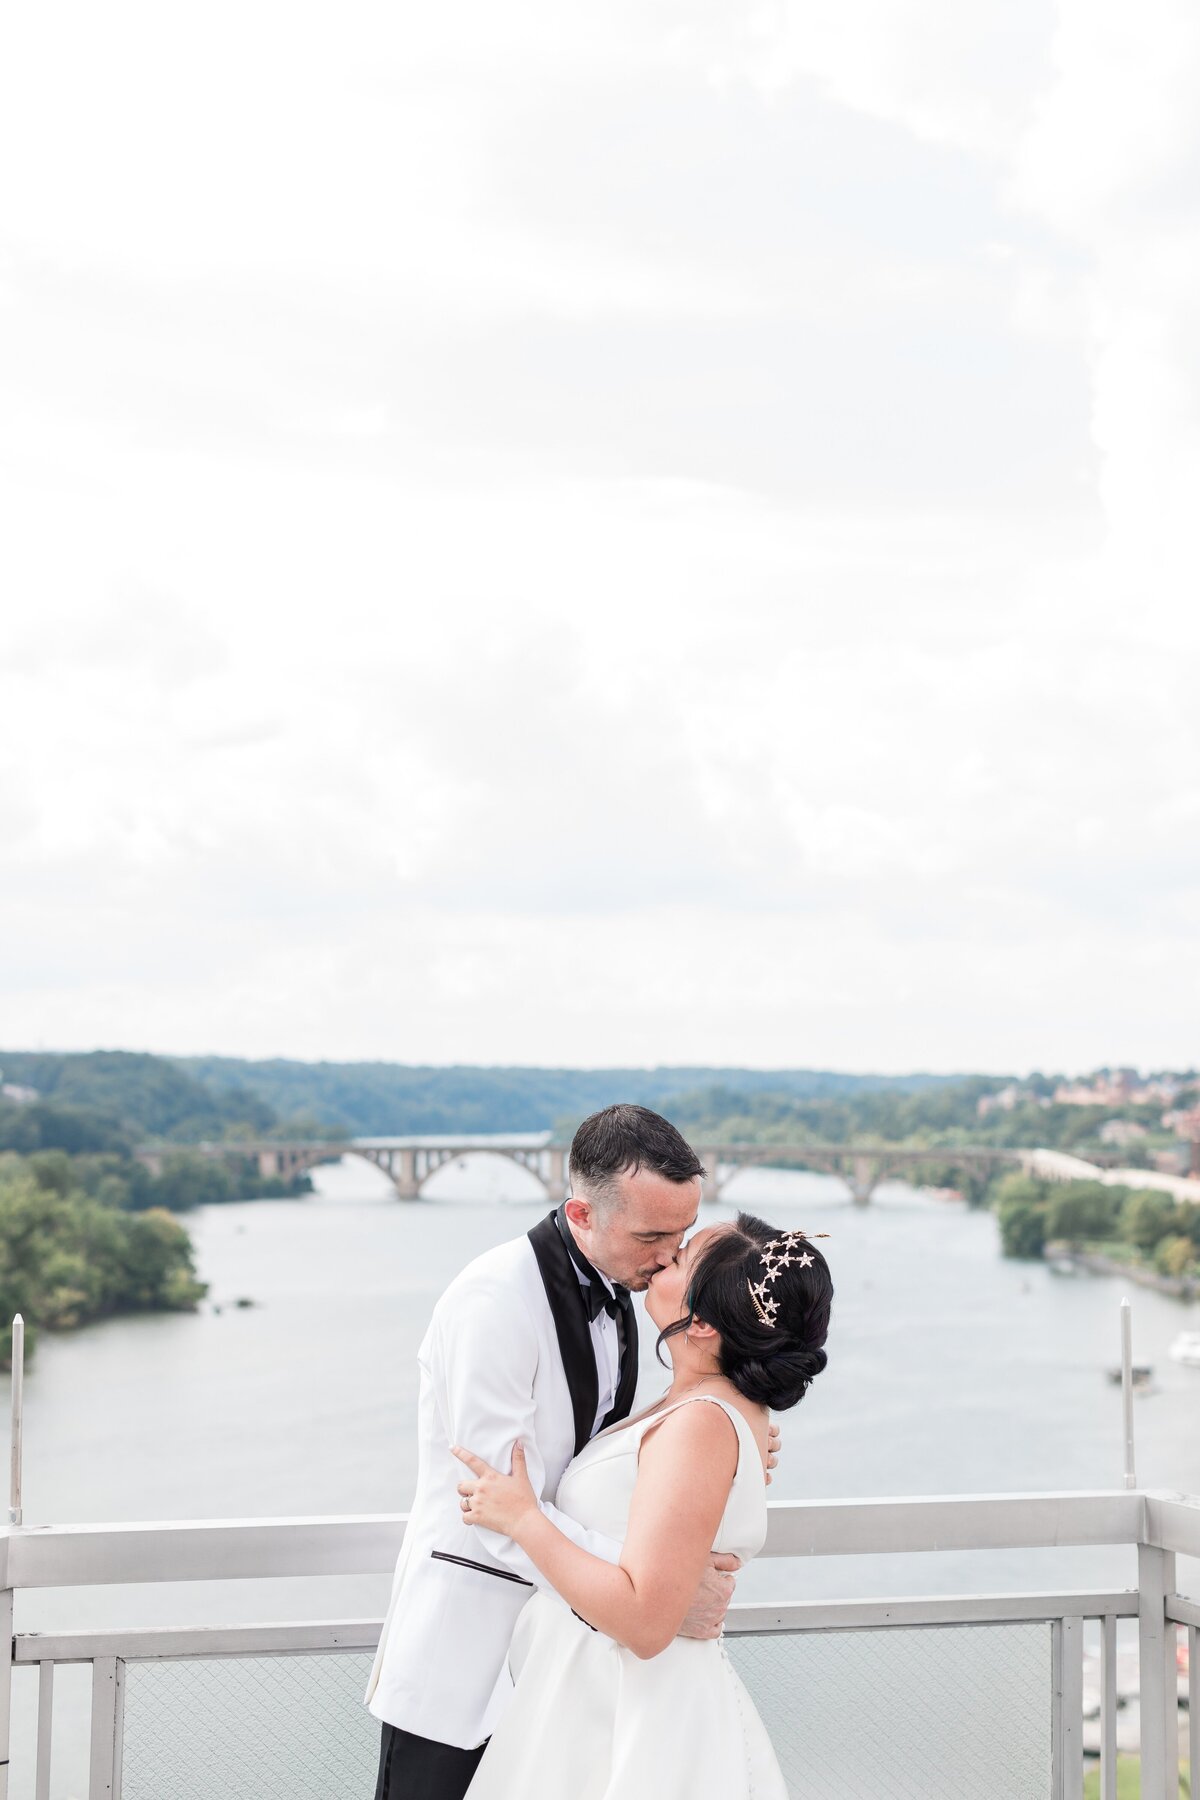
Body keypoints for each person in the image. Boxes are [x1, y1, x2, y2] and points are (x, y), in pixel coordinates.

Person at [364, 1104, 782, 1800]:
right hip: (469, 1662)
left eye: (682, 1234)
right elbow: (494, 1506)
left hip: (568, 1672)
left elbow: (606, 1466)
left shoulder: (625, 1289)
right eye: (653, 1235)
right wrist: (653, 1593)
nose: (670, 1257)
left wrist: (735, 1437)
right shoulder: (493, 1302)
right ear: (582, 1215)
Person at [452, 1212, 833, 1800]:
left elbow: (647, 1622)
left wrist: (524, 1519)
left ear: (702, 1323)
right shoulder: (696, 1405)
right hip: (591, 1691)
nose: (663, 1256)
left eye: (679, 1259)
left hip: (633, 1709)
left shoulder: (701, 1423)